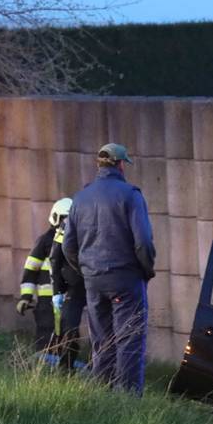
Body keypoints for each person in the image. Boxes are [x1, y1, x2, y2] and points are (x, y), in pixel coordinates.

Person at [61, 143, 156, 396]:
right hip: (125, 278)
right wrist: (146, 270)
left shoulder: (80, 198)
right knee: (129, 340)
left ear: (99, 165)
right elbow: (143, 241)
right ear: (121, 165)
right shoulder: (130, 195)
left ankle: (102, 397)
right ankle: (127, 401)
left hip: (93, 280)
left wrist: (85, 271)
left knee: (101, 340)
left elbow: (68, 245)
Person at [47, 197, 86, 370]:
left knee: (69, 328)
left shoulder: (64, 232)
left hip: (77, 286)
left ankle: (66, 367)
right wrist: (58, 292)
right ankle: (66, 368)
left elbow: (55, 262)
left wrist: (57, 291)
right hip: (83, 284)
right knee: (69, 330)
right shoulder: (81, 228)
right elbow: (55, 261)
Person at [16, 202, 60, 351]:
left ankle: (65, 367)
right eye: (64, 218)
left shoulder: (76, 240)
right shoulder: (45, 241)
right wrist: (26, 297)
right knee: (46, 332)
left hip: (67, 298)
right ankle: (45, 366)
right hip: (46, 299)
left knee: (68, 333)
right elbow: (30, 270)